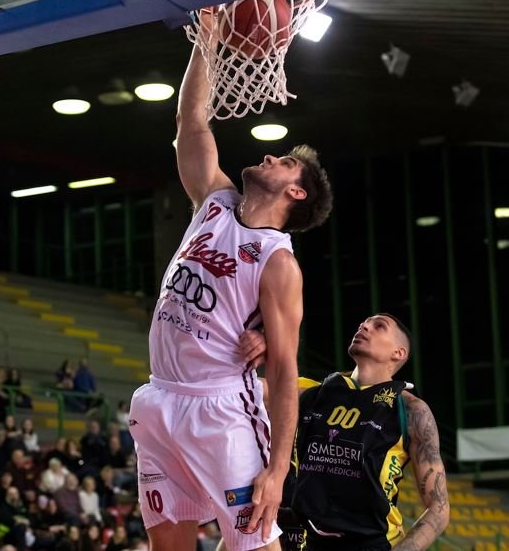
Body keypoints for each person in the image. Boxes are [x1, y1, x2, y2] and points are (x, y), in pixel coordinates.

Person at [128, 38, 333, 551]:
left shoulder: (278, 263)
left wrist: (278, 470)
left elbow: (283, 371)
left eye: (284, 162)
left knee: (255, 544)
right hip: (158, 398)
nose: (269, 156)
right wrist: (208, 40)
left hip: (220, 409)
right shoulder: (215, 202)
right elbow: (191, 123)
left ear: (296, 192)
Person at [239, 313, 451, 550]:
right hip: (310, 541)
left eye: (379, 326)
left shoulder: (411, 410)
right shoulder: (310, 393)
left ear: (398, 353)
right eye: (364, 323)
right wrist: (261, 341)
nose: (365, 326)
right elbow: (237, 388)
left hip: (374, 544)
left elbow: (439, 509)